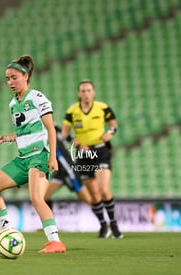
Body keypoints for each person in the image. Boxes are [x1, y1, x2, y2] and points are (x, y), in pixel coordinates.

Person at [0, 55, 66, 253]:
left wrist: (52, 156)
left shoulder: (38, 98)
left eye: (14, 77)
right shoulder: (13, 104)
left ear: (25, 76)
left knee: (37, 198)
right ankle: (6, 233)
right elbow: (25, 133)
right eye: (7, 79)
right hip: (23, 158)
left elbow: (50, 129)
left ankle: (55, 241)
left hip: (39, 156)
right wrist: (4, 138)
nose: (10, 82)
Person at [61, 79, 123, 239]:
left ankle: (114, 224)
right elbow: (65, 134)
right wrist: (76, 143)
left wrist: (111, 132)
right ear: (78, 93)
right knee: (94, 196)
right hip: (83, 155)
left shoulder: (102, 107)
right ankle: (103, 225)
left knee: (104, 190)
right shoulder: (72, 111)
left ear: (93, 92)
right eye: (83, 90)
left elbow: (114, 124)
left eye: (89, 90)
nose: (86, 93)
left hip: (101, 151)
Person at [44, 125, 92, 209]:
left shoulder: (51, 128)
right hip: (60, 172)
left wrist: (79, 146)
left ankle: (106, 219)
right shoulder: (40, 130)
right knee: (43, 197)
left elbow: (67, 136)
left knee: (87, 199)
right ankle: (50, 221)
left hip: (69, 171)